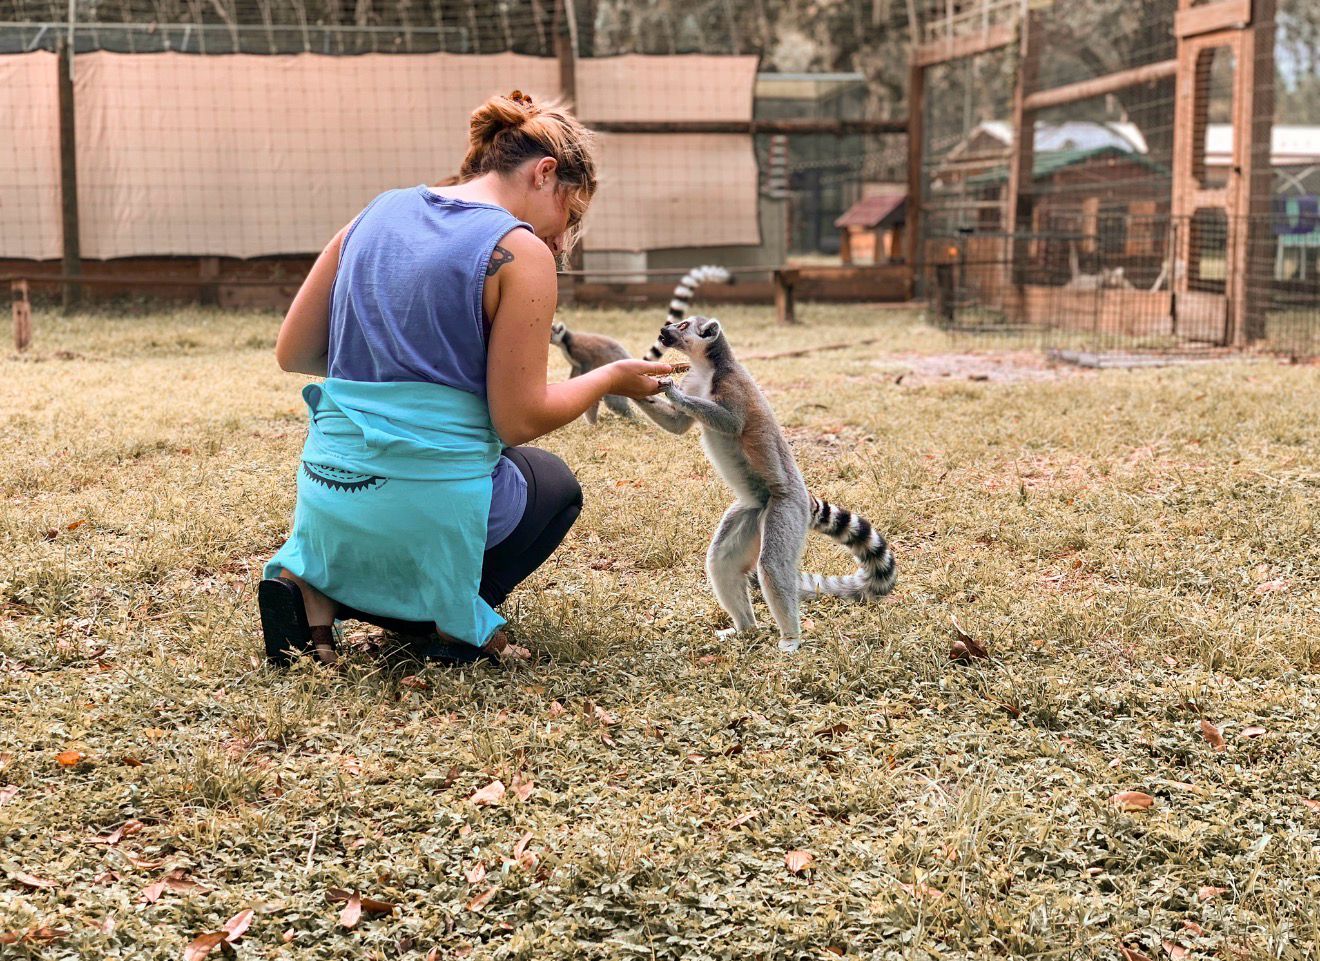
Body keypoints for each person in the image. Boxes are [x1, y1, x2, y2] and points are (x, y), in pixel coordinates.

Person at [259, 90, 673, 667]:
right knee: (552, 484)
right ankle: (442, 614)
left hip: (329, 494)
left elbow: (295, 352)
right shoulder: (519, 251)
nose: (561, 240)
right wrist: (607, 378)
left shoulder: (375, 212)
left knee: (384, 497)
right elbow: (518, 419)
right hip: (429, 500)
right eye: (569, 216)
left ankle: (313, 591)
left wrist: (405, 364)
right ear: (544, 173)